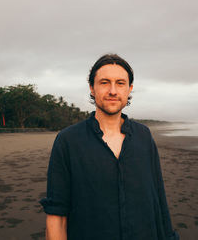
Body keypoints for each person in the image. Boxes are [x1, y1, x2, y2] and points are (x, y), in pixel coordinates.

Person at [40, 54, 179, 240]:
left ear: (129, 89)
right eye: (105, 82)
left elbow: (159, 201)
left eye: (120, 83)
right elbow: (57, 215)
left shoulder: (144, 136)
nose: (113, 90)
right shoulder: (68, 141)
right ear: (92, 88)